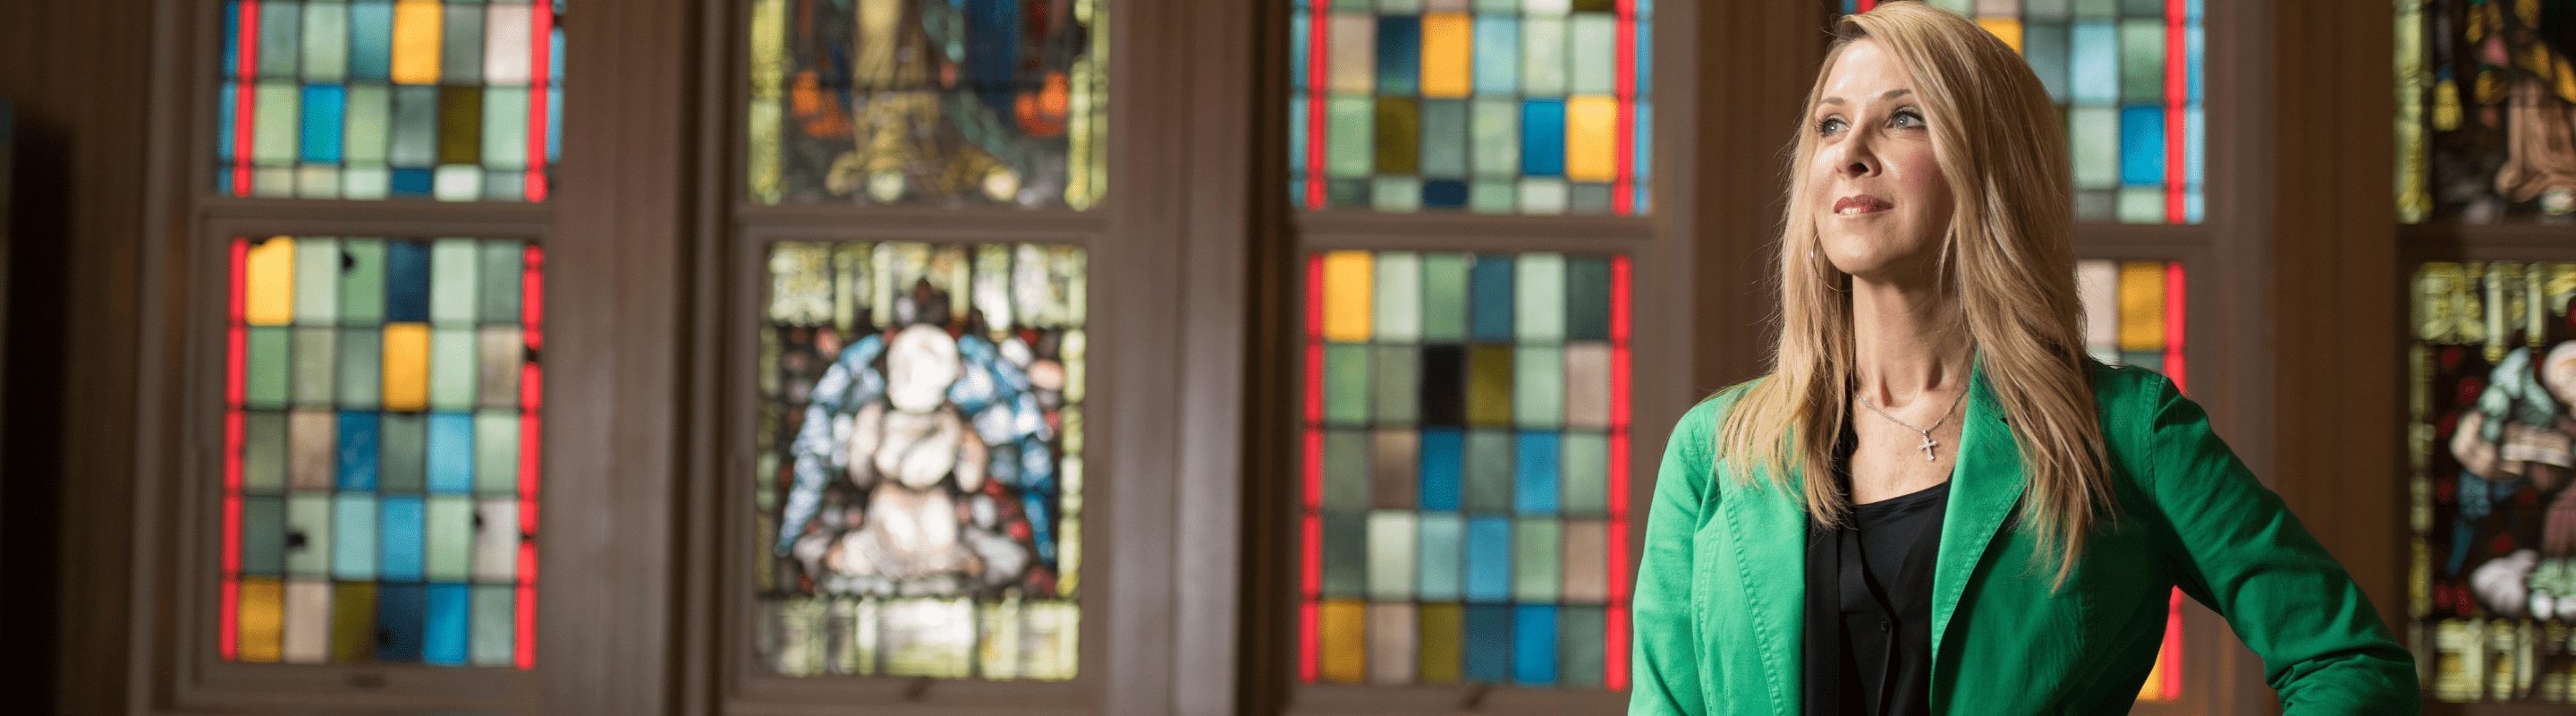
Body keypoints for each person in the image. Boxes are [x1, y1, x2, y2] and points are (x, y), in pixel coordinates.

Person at [1627, 4, 2419, 713]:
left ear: (1991, 168)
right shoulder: (1716, 450)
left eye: (1905, 118)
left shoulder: (2126, 434)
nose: (1851, 153)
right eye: (1831, 125)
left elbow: (2351, 665)